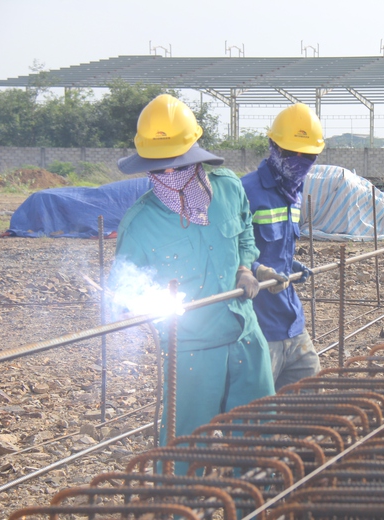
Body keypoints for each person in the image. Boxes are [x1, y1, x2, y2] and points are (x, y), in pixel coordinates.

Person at [110, 94, 275, 448]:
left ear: (194, 155)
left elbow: (245, 229)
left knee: (257, 445)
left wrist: (245, 267)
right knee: (184, 451)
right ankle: (177, 504)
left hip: (246, 336)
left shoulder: (230, 189)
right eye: (159, 168)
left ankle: (254, 504)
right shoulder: (139, 225)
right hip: (191, 354)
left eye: (176, 165)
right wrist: (146, 306)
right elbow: (121, 295)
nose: (169, 175)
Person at [241, 103, 323, 390]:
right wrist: (256, 270)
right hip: (260, 325)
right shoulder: (246, 192)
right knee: (257, 413)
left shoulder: (294, 192)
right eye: (291, 152)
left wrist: (290, 266)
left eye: (308, 155)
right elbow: (227, 251)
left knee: (311, 400)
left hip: (291, 320)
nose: (300, 160)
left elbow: (279, 247)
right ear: (273, 146)